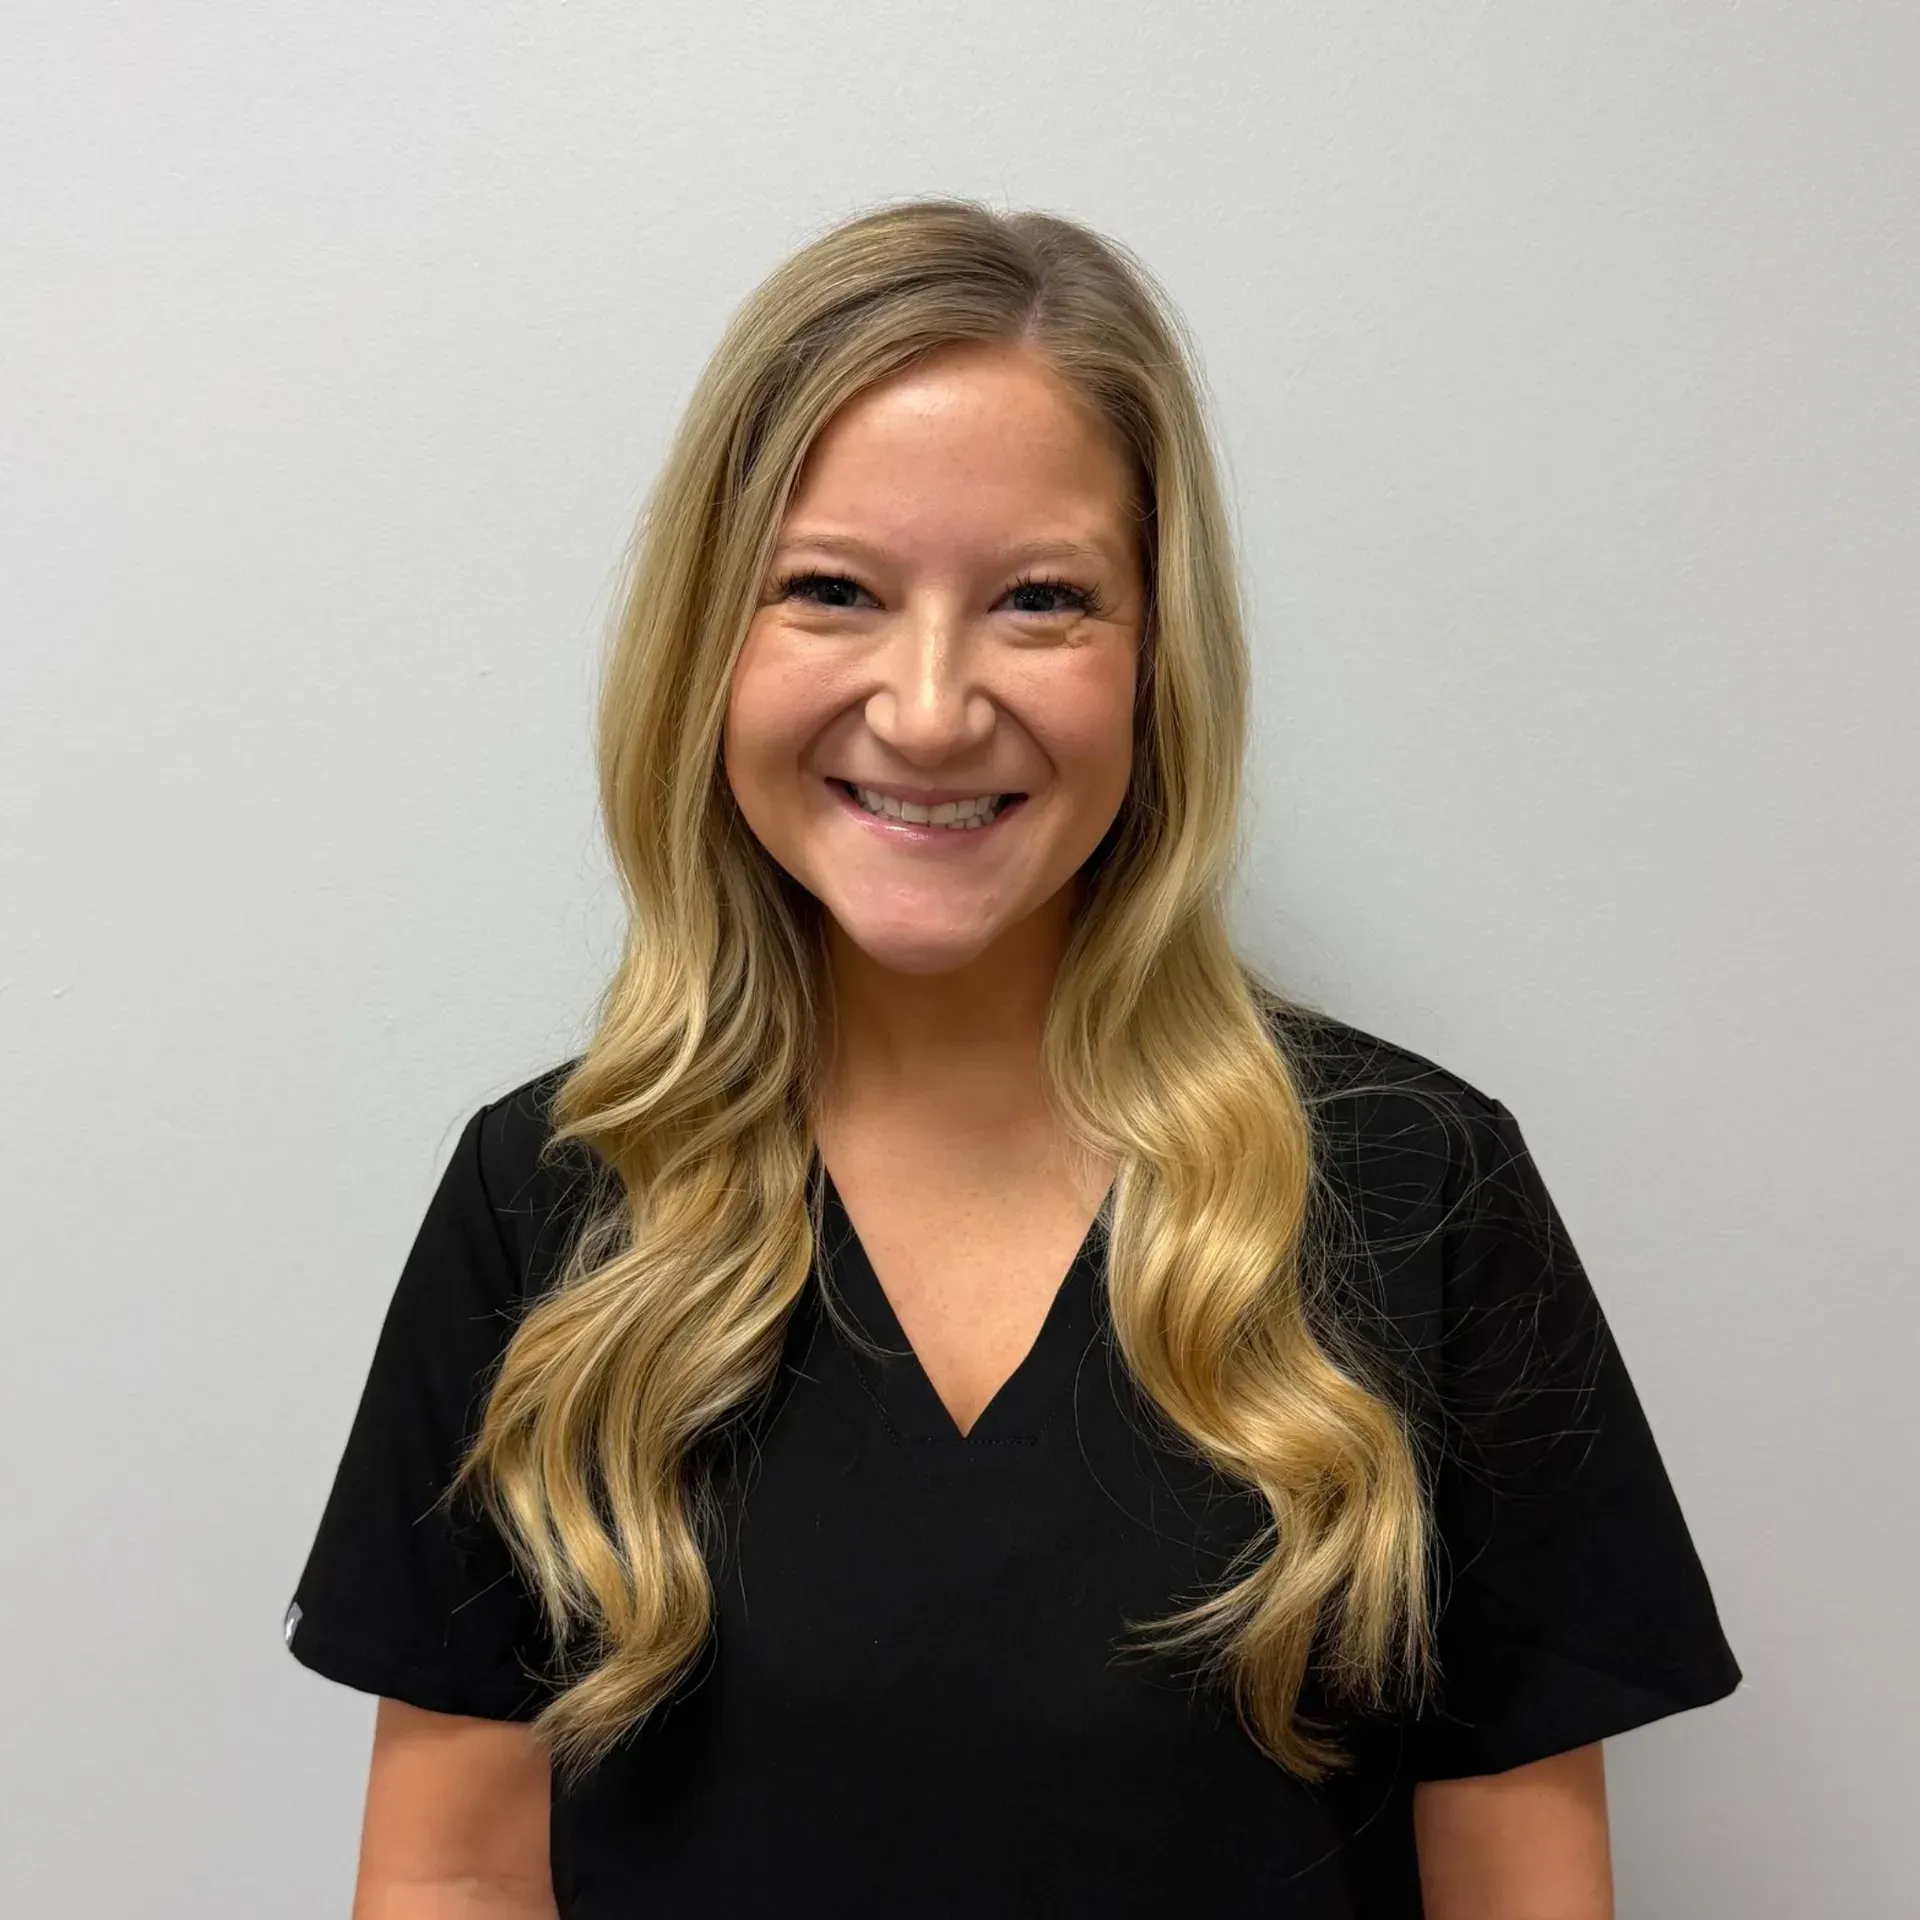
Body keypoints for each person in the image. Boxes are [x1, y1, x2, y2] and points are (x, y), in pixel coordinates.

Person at [284, 197, 1740, 1918]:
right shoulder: (547, 1206)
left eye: (1042, 600)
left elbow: (1519, 1888)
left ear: (1156, 663)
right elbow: (450, 1881)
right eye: (830, 589)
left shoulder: (1417, 1192)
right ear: (706, 643)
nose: (927, 705)